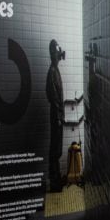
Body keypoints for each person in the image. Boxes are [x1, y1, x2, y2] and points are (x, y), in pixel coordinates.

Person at [46, 39, 65, 191]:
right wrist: (58, 117)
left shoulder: (55, 70)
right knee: (55, 150)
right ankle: (54, 182)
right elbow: (52, 96)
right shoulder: (52, 71)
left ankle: (56, 180)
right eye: (57, 53)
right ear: (53, 54)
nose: (59, 56)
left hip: (58, 115)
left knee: (57, 149)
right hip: (56, 116)